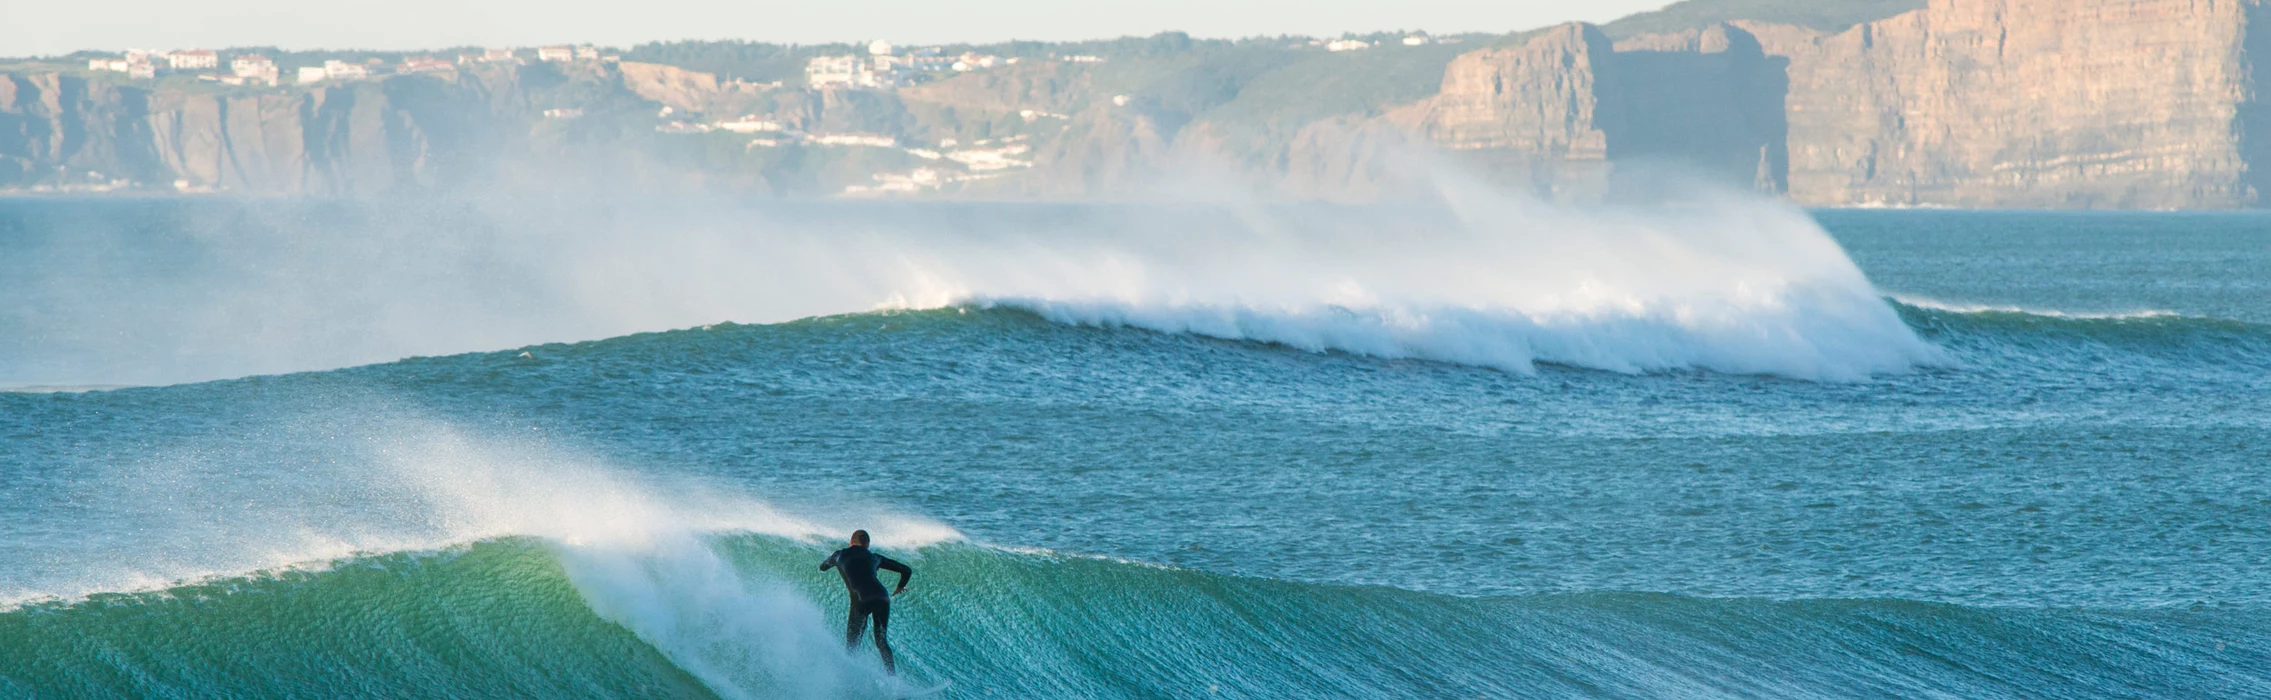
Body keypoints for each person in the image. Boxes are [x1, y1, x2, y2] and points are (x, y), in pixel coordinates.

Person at [819, 529, 912, 673]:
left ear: (851, 542)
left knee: (852, 646)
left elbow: (822, 567)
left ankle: (848, 677)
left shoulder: (838, 555)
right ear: (868, 544)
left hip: (861, 599)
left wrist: (830, 564)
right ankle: (893, 681)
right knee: (881, 642)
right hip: (882, 597)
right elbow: (906, 570)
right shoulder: (875, 557)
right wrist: (900, 586)